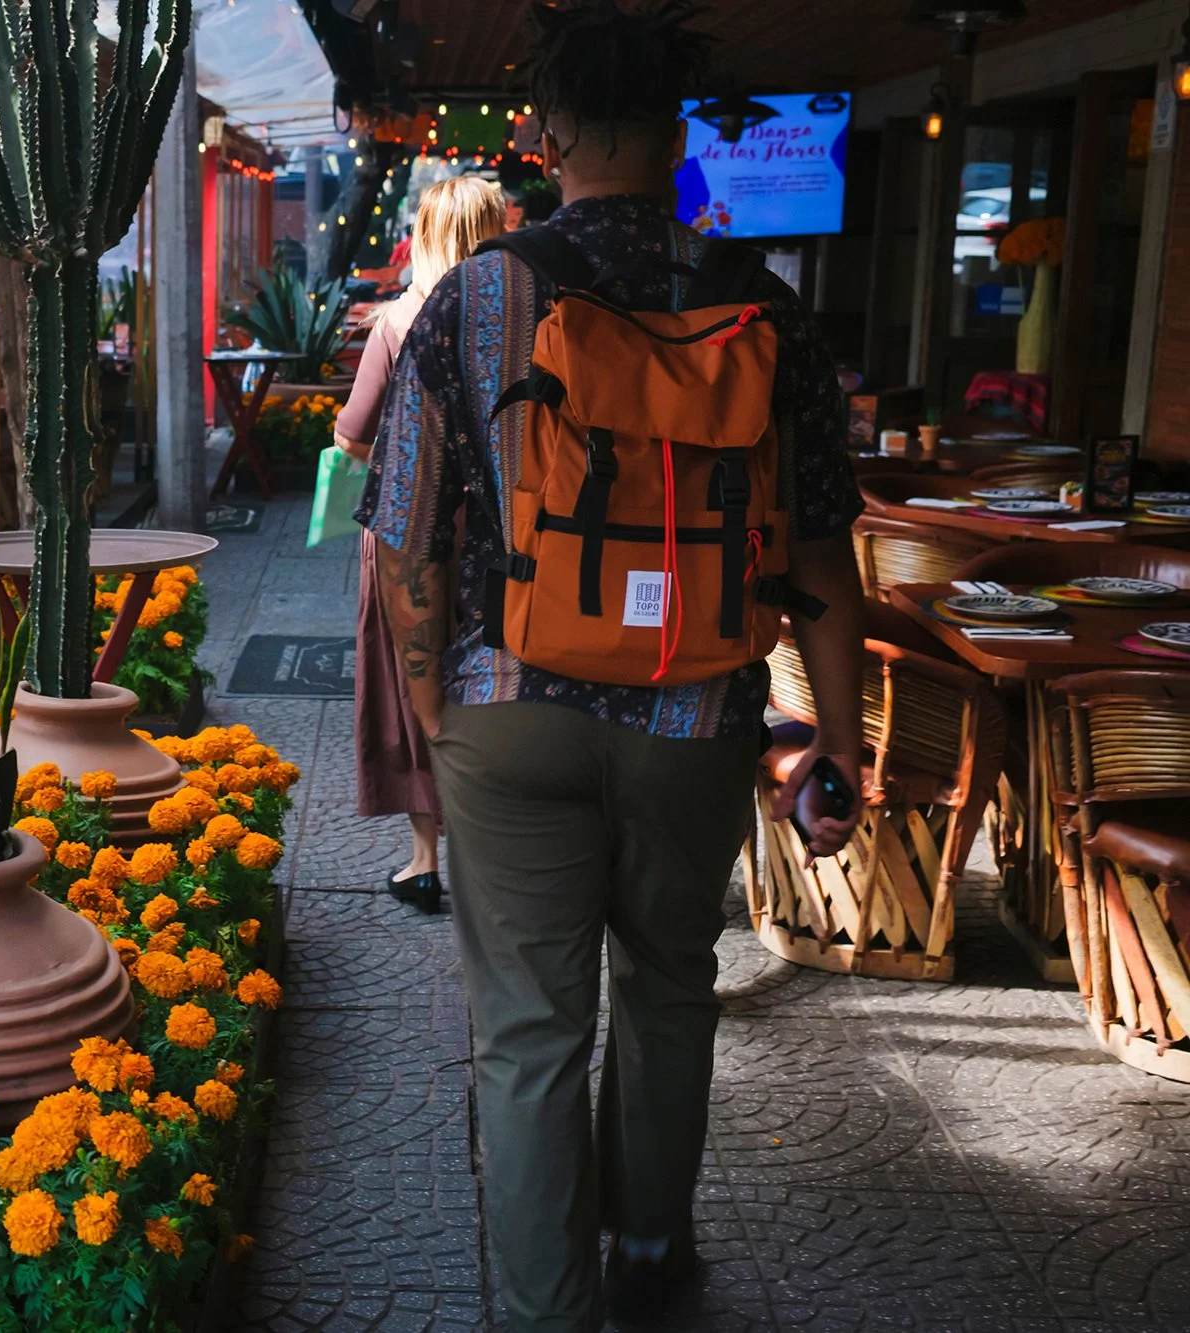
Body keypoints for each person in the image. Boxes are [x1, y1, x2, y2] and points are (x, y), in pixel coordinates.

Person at [356, 3, 866, 1329]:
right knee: (668, 987)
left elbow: (403, 545)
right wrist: (843, 739)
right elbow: (820, 562)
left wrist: (436, 714)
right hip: (698, 715)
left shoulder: (475, 299)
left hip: (505, 708)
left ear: (552, 131)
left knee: (529, 1034)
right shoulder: (769, 312)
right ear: (679, 134)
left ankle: (543, 1309)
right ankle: (649, 1251)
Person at [334, 177, 506, 913]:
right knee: (492, 675)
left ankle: (425, 857)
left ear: (427, 234)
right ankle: (491, 848)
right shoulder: (524, 322)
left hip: (410, 533)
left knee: (411, 682)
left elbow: (352, 434)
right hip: (502, 535)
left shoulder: (400, 321)